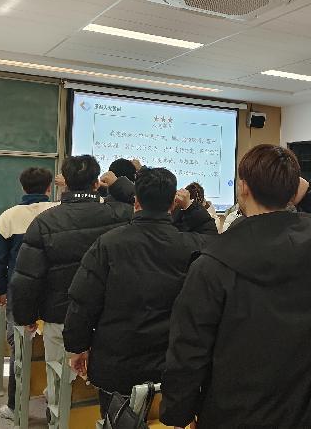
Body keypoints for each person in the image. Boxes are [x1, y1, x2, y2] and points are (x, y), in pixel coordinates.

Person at [160, 144, 311, 428]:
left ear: (243, 188)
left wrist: (178, 413)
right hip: (309, 408)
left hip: (235, 413)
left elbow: (189, 351)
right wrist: (310, 191)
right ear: (292, 191)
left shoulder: (211, 265)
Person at [62, 168, 218, 417]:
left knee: (117, 421)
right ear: (172, 204)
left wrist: (77, 347)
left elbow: (83, 302)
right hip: (171, 366)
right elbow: (213, 238)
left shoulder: (108, 244)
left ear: (136, 202)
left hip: (116, 366)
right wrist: (190, 207)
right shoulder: (190, 245)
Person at [10, 155, 134, 413]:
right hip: (108, 319)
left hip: (60, 317)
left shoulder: (45, 221)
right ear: (96, 183)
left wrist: (26, 316)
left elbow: (27, 278)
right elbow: (145, 201)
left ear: (64, 182)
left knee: (60, 386)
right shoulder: (119, 214)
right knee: (105, 388)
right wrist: (117, 185)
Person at [0, 167, 57, 420]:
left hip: (20, 291)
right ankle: (54, 397)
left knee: (20, 349)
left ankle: (15, 407)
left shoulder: (9, 216)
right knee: (57, 346)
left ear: (23, 187)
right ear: (49, 187)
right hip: (55, 292)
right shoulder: (59, 211)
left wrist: (1, 289)